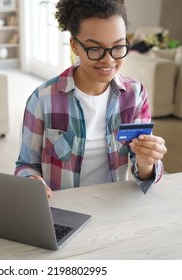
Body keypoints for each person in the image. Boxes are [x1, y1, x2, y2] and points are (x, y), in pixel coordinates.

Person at [15, 0, 167, 198]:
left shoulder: (135, 95)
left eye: (118, 47)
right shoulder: (43, 99)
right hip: (64, 209)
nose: (109, 60)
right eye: (95, 49)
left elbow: (143, 172)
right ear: (74, 46)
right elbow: (26, 165)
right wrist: (32, 182)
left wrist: (147, 161)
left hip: (114, 207)